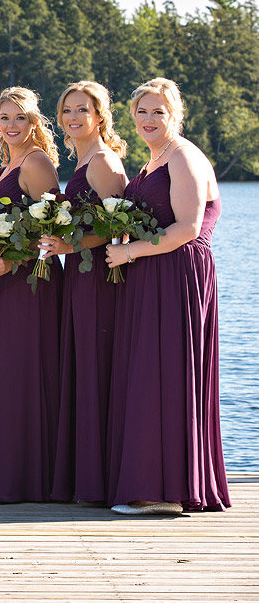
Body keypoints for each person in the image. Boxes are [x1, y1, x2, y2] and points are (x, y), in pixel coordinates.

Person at [103, 78, 230, 514]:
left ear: (175, 114)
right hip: (152, 275)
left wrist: (128, 250)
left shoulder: (184, 156)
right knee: (148, 374)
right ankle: (154, 483)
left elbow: (188, 228)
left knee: (166, 375)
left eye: (158, 111)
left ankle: (163, 490)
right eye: (142, 111)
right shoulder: (153, 160)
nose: (149, 119)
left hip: (178, 276)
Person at [41, 81, 127, 504]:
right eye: (68, 111)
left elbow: (120, 226)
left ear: (99, 116)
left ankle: (101, 480)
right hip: (79, 272)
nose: (74, 117)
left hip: (99, 278)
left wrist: (70, 245)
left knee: (96, 368)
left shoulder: (102, 162)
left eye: (83, 110)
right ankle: (86, 476)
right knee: (82, 368)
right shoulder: (81, 160)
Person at [0, 87, 63, 504]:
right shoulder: (6, 164)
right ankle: (8, 474)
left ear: (35, 123)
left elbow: (54, 226)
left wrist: (15, 260)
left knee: (26, 372)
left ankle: (27, 480)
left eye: (20, 118)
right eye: (4, 118)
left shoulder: (37, 162)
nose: (12, 126)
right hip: (5, 279)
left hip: (33, 280)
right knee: (5, 373)